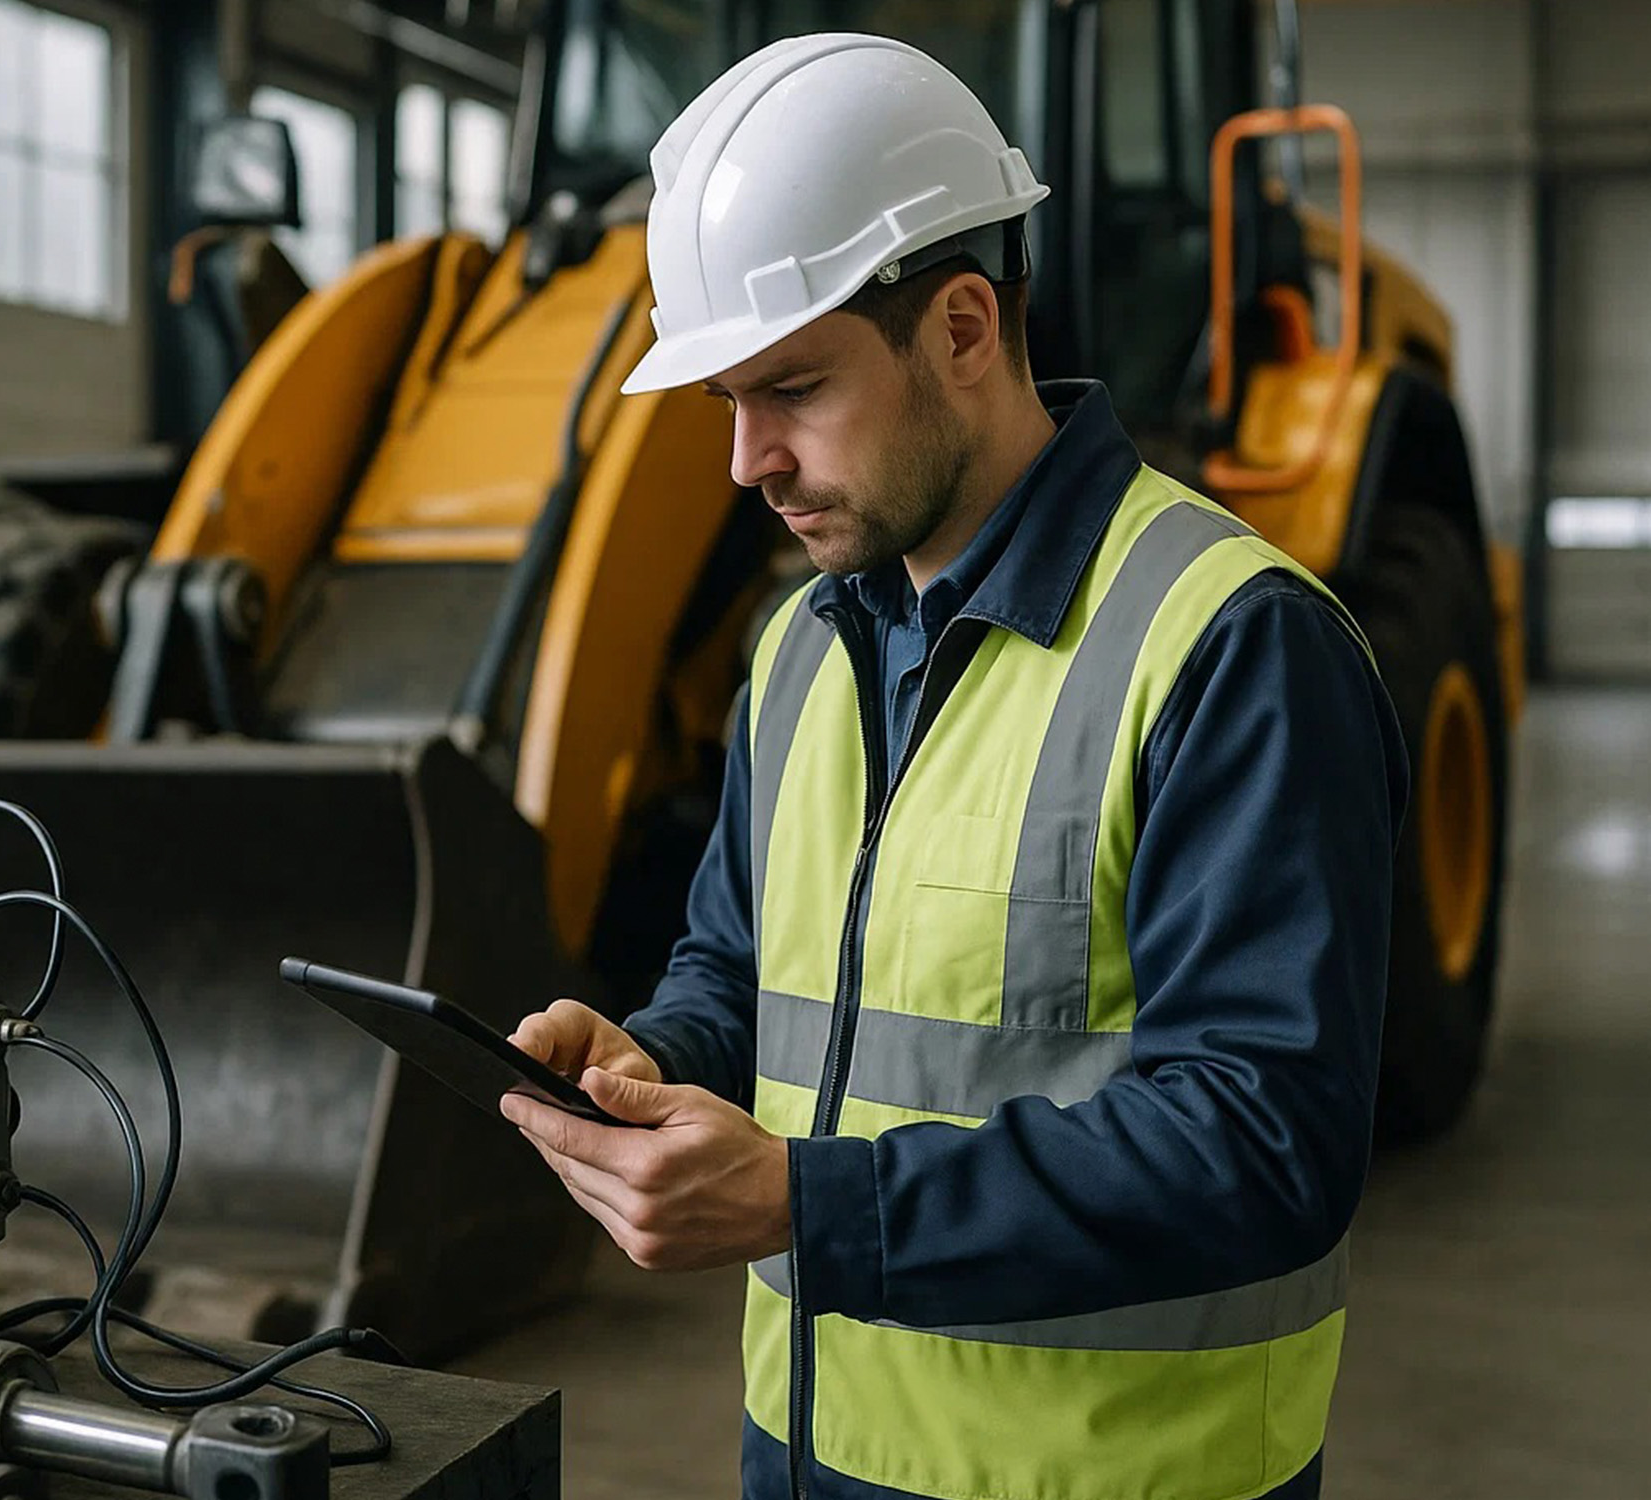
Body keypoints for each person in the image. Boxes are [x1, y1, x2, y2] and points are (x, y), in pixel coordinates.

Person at [501, 33, 1407, 1500]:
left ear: (967, 327)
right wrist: (652, 1059)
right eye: (726, 401)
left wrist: (805, 1200)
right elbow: (739, 970)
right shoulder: (797, 652)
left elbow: (1262, 1145)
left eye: (791, 388)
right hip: (808, 1458)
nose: (747, 461)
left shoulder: (1231, 649)